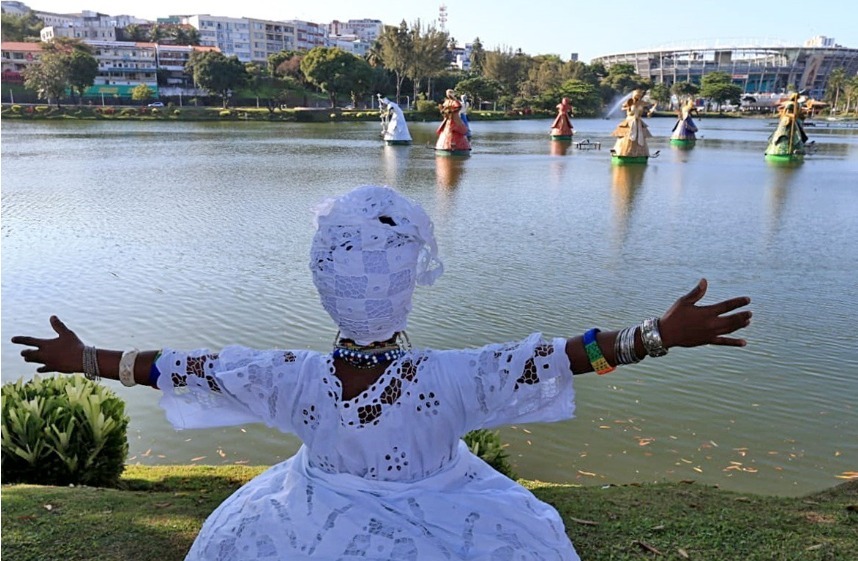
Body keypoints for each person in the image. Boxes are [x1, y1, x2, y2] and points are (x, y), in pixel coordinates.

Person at [12, 185, 752, 561]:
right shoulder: (457, 377)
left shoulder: (288, 377)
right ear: (408, 286)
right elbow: (564, 356)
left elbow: (182, 368)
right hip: (455, 514)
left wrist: (87, 359)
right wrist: (658, 335)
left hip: (302, 517)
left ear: (323, 284)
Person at [610, 89, 657, 157]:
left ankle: (640, 153)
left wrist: (651, 110)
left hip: (638, 121)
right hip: (630, 121)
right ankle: (624, 152)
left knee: (640, 136)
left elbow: (652, 104)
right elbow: (622, 108)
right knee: (627, 136)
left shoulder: (642, 103)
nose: (638, 97)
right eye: (637, 96)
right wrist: (628, 108)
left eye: (639, 96)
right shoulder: (629, 101)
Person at [765, 92, 808, 157]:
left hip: (794, 122)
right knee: (783, 135)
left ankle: (795, 150)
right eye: (797, 97)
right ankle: (780, 151)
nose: (797, 98)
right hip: (787, 121)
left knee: (797, 135)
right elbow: (786, 113)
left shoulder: (797, 104)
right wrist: (792, 115)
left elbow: (798, 113)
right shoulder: (790, 104)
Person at [435, 89, 471, 153]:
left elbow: (458, 107)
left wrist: (452, 111)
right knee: (446, 131)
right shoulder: (447, 101)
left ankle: (457, 147)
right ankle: (445, 147)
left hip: (454, 119)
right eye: (448, 93)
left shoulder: (455, 101)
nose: (449, 95)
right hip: (448, 119)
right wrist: (443, 111)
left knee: (456, 130)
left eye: (450, 93)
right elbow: (444, 108)